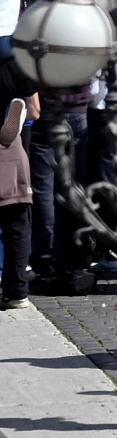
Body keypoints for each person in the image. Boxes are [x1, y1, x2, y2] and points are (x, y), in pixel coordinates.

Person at [1, 99, 31, 309]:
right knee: (18, 226)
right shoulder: (17, 70)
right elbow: (36, 111)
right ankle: (17, 292)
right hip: (12, 155)